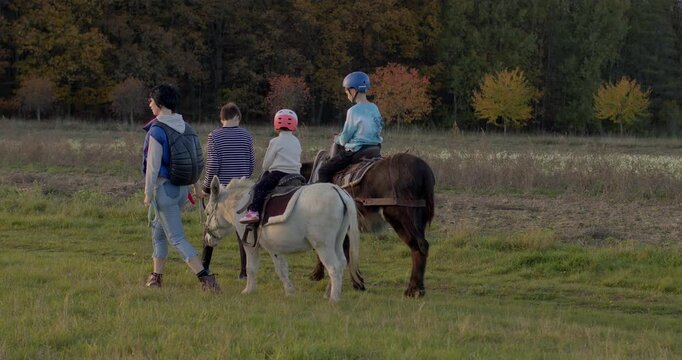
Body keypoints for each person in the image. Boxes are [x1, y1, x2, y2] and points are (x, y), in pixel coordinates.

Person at [142, 84, 220, 293]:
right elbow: (193, 160)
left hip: (163, 190)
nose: (149, 104)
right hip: (181, 190)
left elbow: (153, 167)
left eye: (151, 100)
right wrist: (196, 187)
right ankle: (156, 278)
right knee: (158, 233)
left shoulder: (157, 129)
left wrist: (148, 194)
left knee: (176, 238)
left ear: (159, 103)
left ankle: (206, 279)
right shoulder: (186, 126)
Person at [317, 71, 383, 183]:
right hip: (375, 148)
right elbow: (379, 127)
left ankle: (327, 196)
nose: (347, 95)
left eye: (347, 92)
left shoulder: (353, 111)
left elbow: (344, 139)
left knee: (324, 171)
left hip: (357, 150)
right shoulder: (374, 107)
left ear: (353, 90)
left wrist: (337, 138)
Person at [239, 109, 302, 224]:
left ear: (276, 125)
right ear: (294, 125)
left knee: (259, 188)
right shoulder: (296, 141)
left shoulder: (275, 141)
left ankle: (254, 213)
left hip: (279, 174)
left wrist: (268, 168)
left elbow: (266, 165)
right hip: (296, 175)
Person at [197, 102, 255, 199]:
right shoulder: (247, 136)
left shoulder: (214, 136)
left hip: (222, 191)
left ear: (221, 119)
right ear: (237, 118)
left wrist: (206, 188)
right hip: (242, 190)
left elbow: (213, 165)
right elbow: (251, 164)